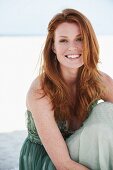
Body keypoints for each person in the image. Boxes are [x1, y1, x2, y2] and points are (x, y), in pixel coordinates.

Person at [19, 8, 113, 170]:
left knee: (106, 111)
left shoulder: (100, 80)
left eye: (80, 39)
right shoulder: (40, 91)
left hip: (85, 151)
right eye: (63, 40)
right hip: (50, 161)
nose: (73, 47)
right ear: (53, 47)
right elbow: (63, 164)